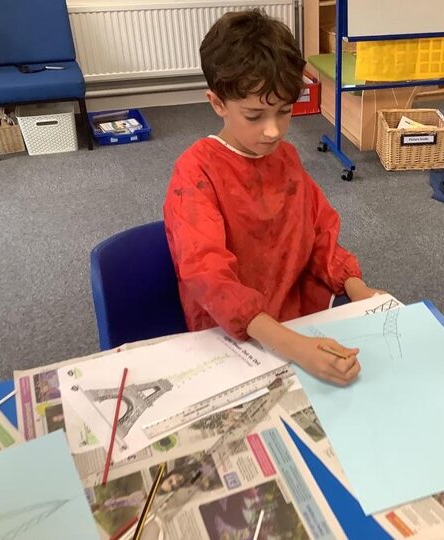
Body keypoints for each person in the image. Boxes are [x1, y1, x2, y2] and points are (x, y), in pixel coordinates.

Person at [163, 10, 381, 385]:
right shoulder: (196, 172)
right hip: (231, 339)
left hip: (294, 322)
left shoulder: (285, 158)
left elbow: (319, 232)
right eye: (254, 116)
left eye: (284, 112)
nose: (273, 131)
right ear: (217, 103)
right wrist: (296, 348)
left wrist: (358, 290)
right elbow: (208, 274)